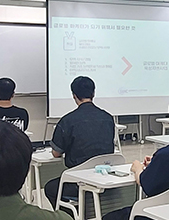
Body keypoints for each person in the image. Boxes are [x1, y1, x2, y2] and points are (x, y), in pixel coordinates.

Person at [44, 76, 115, 212]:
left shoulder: (67, 121)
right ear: (93, 93)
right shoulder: (108, 118)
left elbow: (56, 153)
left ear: (74, 95)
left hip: (79, 180)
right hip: (105, 177)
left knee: (51, 188)